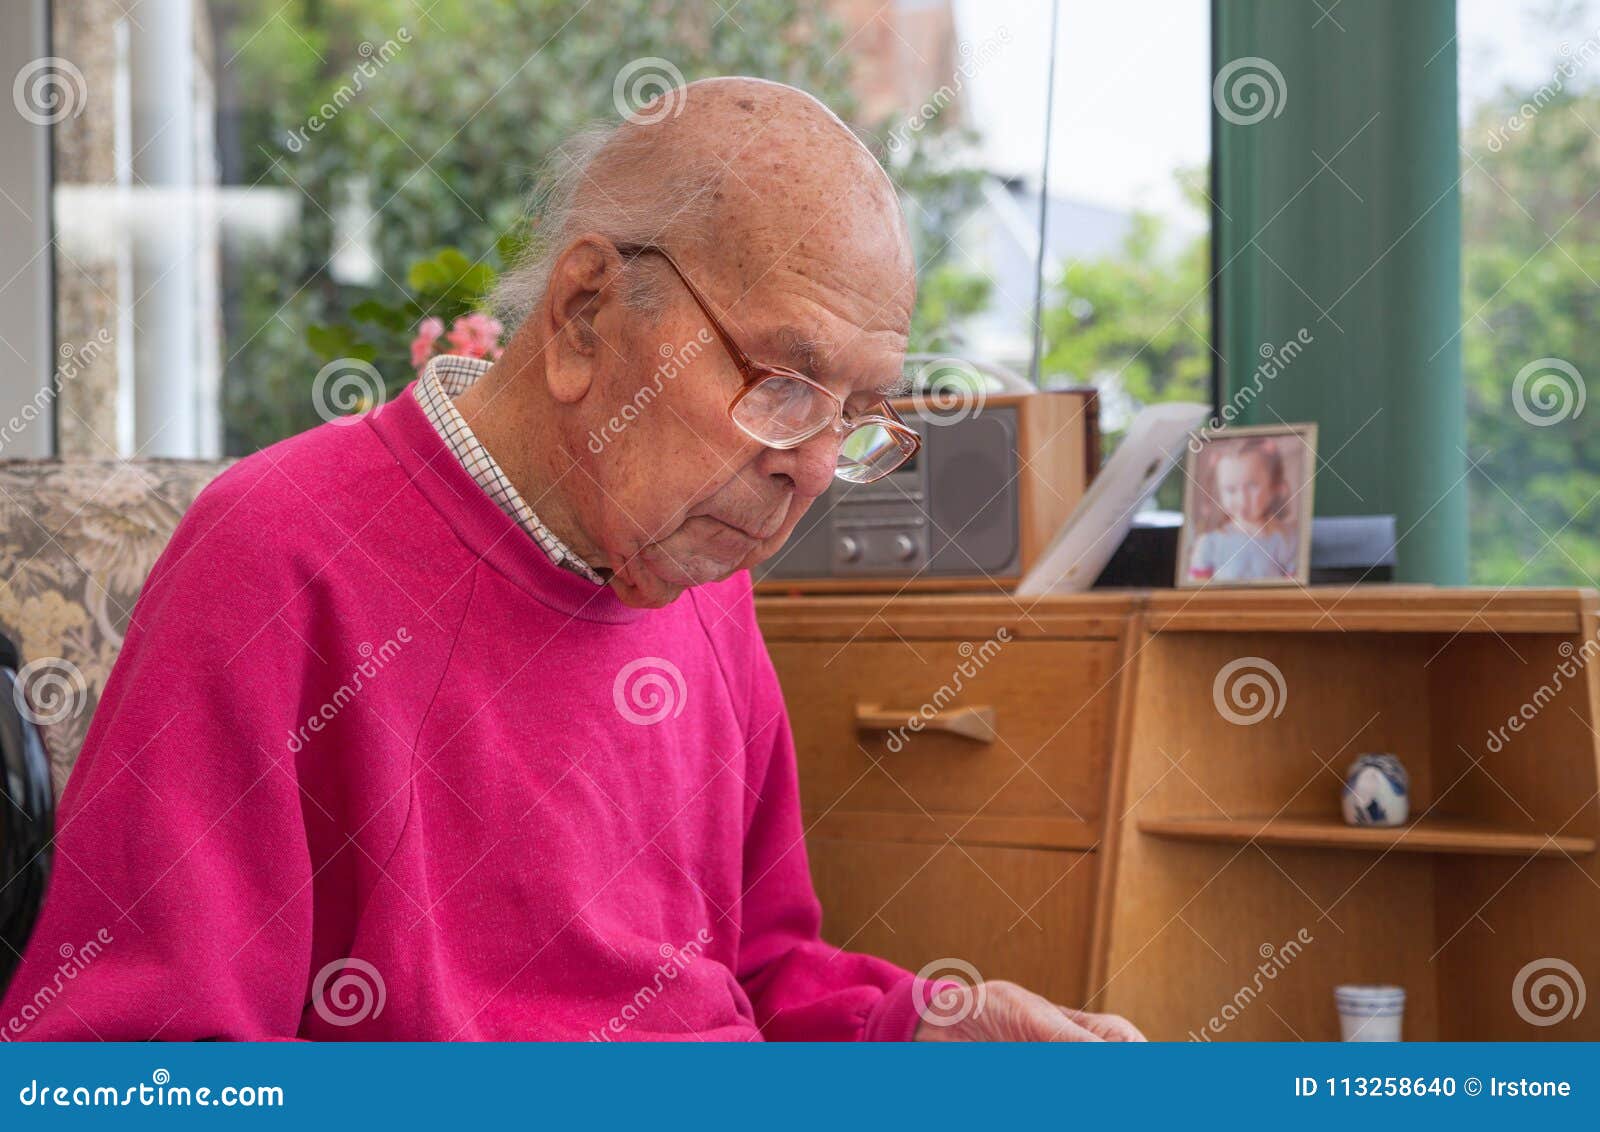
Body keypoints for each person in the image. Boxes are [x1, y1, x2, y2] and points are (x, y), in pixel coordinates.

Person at [0, 77, 1142, 1043]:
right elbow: (135, 1064)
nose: (808, 464)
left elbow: (754, 974)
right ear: (586, 311)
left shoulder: (703, 581)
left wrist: (942, 1022)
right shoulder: (275, 554)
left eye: (857, 414)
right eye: (781, 383)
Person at [1187, 437, 1298, 583]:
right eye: (1231, 490)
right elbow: (1197, 595)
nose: (1242, 499)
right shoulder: (1209, 543)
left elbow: (1294, 593)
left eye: (1252, 486)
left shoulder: (1286, 540)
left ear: (1273, 487)